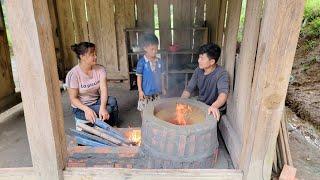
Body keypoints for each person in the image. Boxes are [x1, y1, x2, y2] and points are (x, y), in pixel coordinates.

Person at [65, 42, 119, 126]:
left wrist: (102, 107)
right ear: (82, 57)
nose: (95, 57)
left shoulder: (100, 69)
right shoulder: (73, 75)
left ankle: (114, 126)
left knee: (112, 101)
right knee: (108, 109)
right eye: (92, 54)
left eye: (95, 54)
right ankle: (100, 123)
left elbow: (104, 90)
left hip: (96, 101)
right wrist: (86, 109)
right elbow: (73, 99)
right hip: (81, 107)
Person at [181, 43, 229, 120]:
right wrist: (182, 101)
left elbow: (223, 95)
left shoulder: (221, 73)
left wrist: (214, 106)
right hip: (201, 103)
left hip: (215, 107)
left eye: (202, 58)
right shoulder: (198, 71)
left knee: (199, 120)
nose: (199, 60)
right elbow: (189, 88)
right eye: (199, 57)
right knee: (184, 115)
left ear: (212, 61)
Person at [136, 33, 166, 114]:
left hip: (157, 92)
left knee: (157, 110)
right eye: (152, 49)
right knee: (144, 111)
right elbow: (139, 77)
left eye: (156, 49)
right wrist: (140, 91)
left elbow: (162, 76)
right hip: (145, 93)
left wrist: (163, 88)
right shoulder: (142, 62)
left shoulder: (160, 61)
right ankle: (145, 125)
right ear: (145, 48)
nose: (155, 51)